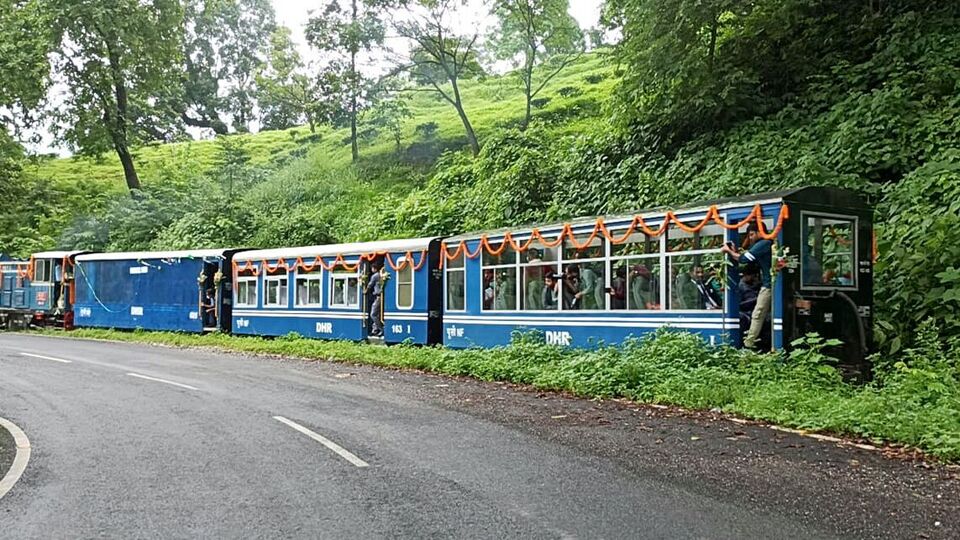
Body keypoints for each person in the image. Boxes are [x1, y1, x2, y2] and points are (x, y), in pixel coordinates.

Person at [722, 223, 773, 349]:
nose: (750, 238)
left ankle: (749, 344)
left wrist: (728, 251)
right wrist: (735, 252)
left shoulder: (764, 243)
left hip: (769, 285)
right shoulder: (767, 244)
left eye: (751, 234)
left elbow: (744, 259)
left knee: (758, 314)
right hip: (769, 284)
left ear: (759, 232)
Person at [366, 263, 385, 336]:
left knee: (373, 314)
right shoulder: (381, 274)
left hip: (378, 296)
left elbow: (370, 285)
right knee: (377, 314)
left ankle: (381, 329)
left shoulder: (375, 276)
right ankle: (375, 330)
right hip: (380, 297)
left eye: (372, 268)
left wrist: (365, 291)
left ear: (374, 268)